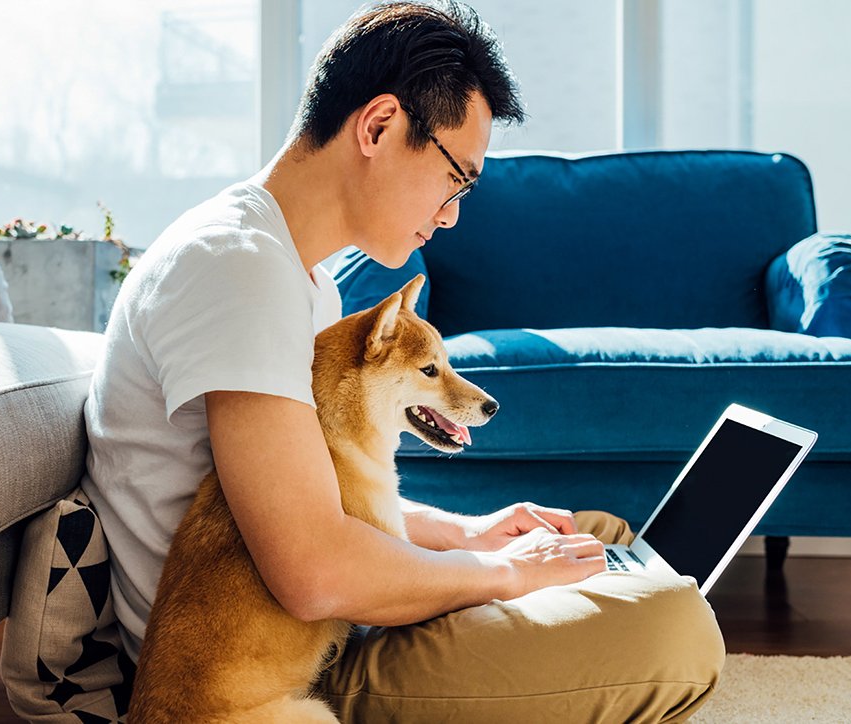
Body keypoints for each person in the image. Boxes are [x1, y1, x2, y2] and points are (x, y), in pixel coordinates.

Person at [80, 1, 725, 721]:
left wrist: (469, 535)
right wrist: (502, 574)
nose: (452, 213)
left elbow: (320, 496)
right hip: (275, 683)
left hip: (321, 628)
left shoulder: (298, 278)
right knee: (676, 624)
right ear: (379, 126)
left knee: (593, 534)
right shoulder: (238, 271)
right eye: (458, 177)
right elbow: (314, 572)